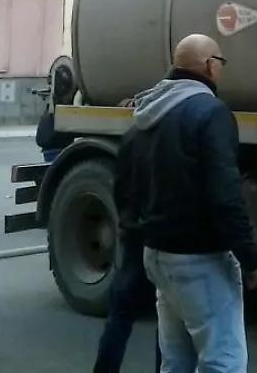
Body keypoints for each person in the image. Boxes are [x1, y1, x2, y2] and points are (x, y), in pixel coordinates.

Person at [120, 34, 257, 372]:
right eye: (221, 62)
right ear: (209, 66)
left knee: (176, 361)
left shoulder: (148, 114)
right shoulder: (210, 113)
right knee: (223, 360)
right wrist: (252, 260)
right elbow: (225, 197)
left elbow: (128, 187)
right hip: (199, 258)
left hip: (158, 255)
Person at [92, 149, 160, 373]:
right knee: (170, 321)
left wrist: (127, 221)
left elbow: (120, 190)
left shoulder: (134, 136)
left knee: (120, 315)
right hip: (161, 238)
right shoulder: (176, 133)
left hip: (134, 236)